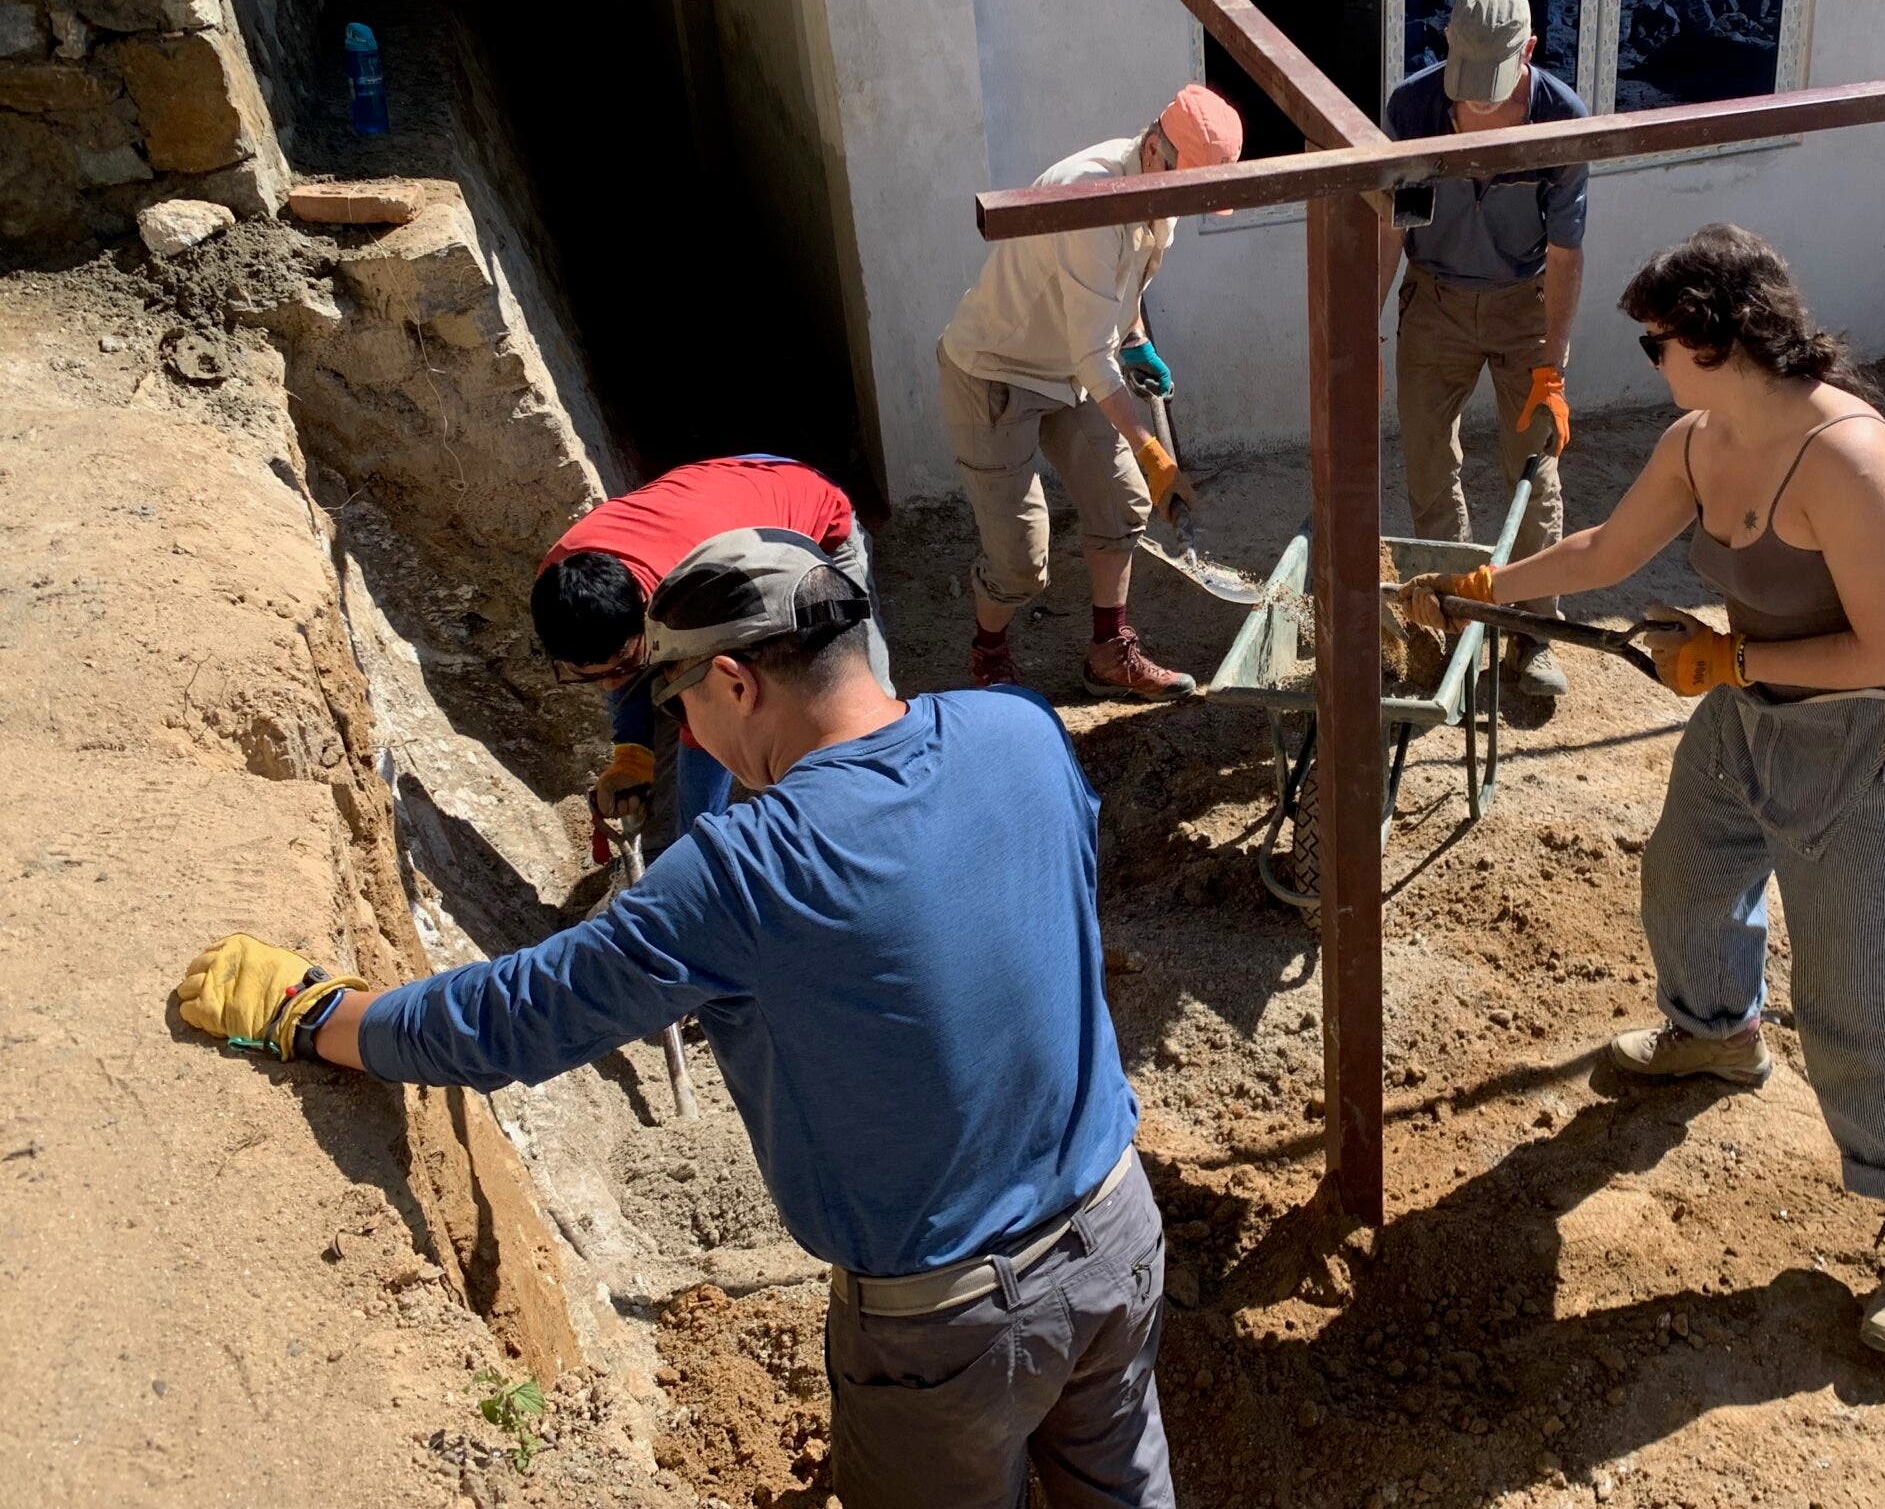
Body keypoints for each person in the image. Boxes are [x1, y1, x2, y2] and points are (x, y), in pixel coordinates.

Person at [175, 528, 1173, 1507]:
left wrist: (317, 1014)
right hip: (1118, 1227)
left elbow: (518, 1015)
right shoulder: (1021, 730)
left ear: (736, 681)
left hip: (954, 1320)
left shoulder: (750, 867)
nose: (688, 733)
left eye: (684, 703)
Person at [1402, 223, 1885, 1355]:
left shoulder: (1849, 459)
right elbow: (1606, 555)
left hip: (1871, 727)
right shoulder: (1699, 440)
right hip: (1754, 700)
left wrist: (1729, 660)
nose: (1647, 355)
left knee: (1860, 972)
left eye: (1655, 337)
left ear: (1714, 341)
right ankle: (1717, 1033)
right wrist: (1478, 588)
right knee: (1686, 875)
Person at [940, 84, 1245, 700]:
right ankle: (989, 654)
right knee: (1021, 563)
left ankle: (1110, 650)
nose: (1189, 203)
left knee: (1122, 505)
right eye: (1189, 187)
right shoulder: (1093, 195)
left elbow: (1117, 296)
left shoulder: (1162, 190)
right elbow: (1090, 351)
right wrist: (1150, 449)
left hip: (1071, 370)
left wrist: (1135, 341)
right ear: (1157, 150)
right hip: (996, 371)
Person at [1380, 0, 1590, 700]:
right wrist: (1365, 329)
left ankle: (1534, 634)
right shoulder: (1411, 109)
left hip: (1521, 309)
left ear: (1528, 54)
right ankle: (1454, 617)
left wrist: (1552, 369)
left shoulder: (1563, 122)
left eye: (1491, 94)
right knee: (1429, 467)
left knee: (1532, 470)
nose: (1473, 109)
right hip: (1433, 303)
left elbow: (1565, 255)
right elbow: (1396, 222)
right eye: (1465, 89)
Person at [530, 453, 886, 835]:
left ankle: (867, 827)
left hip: (812, 510)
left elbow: (713, 729)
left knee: (857, 714)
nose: (610, 685)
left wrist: (695, 845)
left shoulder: (700, 595)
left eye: (620, 667)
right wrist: (632, 753)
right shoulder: (563, 585)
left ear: (648, 608)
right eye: (588, 676)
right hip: (723, 489)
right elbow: (618, 660)